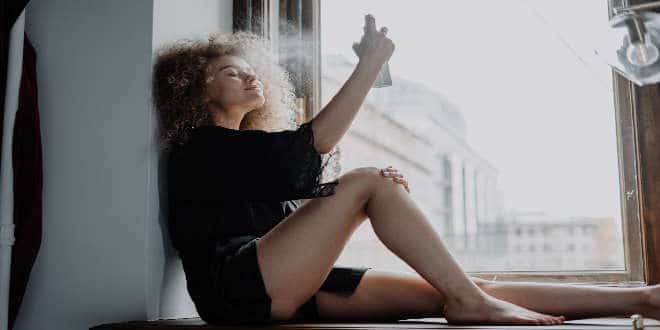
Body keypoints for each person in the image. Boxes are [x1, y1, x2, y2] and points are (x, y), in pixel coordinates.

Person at [151, 20, 660, 326]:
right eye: (227, 71)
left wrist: (350, 201)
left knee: (460, 284)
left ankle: (644, 298)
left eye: (249, 67)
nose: (248, 74)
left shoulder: (241, 152)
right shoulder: (199, 146)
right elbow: (310, 148)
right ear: (192, 90)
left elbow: (286, 206)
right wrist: (370, 67)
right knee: (370, 181)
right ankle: (469, 301)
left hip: (281, 286)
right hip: (235, 290)